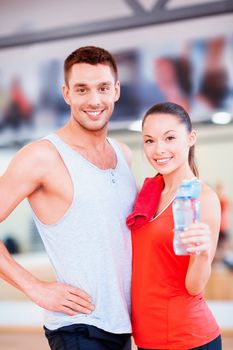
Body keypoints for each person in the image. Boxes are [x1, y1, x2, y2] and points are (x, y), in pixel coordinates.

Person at [0, 46, 137, 350]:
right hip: (77, 326)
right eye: (82, 89)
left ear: (116, 90)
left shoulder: (123, 154)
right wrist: (34, 287)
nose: (94, 100)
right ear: (66, 93)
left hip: (122, 324)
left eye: (103, 88)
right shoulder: (42, 156)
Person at [127, 102, 221, 349]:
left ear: (190, 138)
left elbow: (195, 286)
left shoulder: (203, 199)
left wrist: (202, 254)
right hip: (147, 338)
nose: (159, 150)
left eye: (169, 138)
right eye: (149, 141)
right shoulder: (148, 193)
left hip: (187, 338)